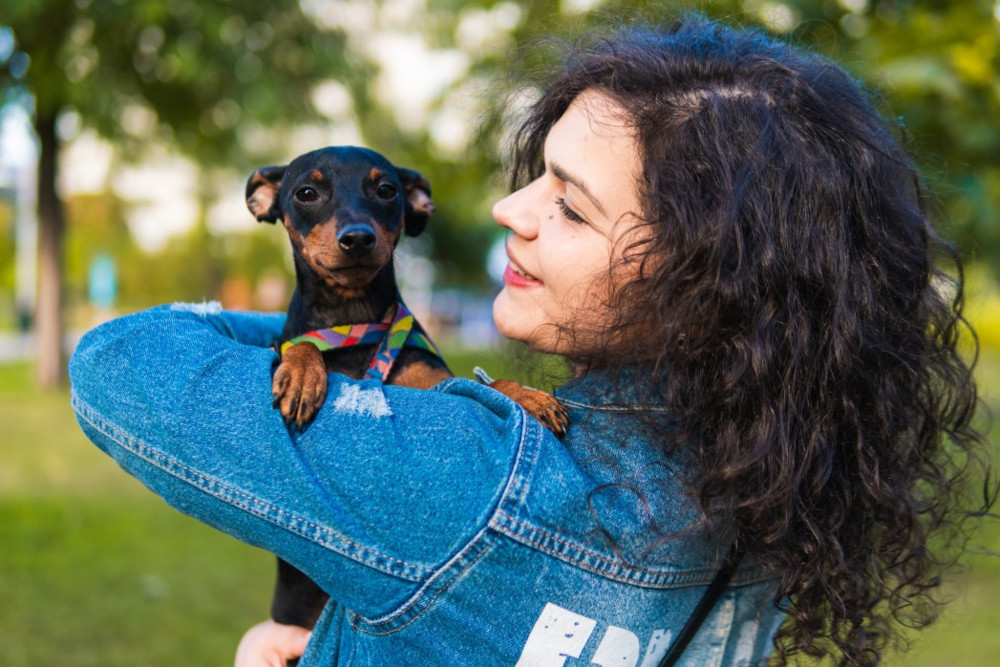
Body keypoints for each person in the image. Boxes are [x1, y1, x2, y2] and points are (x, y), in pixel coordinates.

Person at [69, 15, 993, 667]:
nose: (510, 210)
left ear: (702, 279)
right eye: (535, 176)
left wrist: (313, 329)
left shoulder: (463, 471)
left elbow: (114, 364)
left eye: (570, 204)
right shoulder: (773, 482)